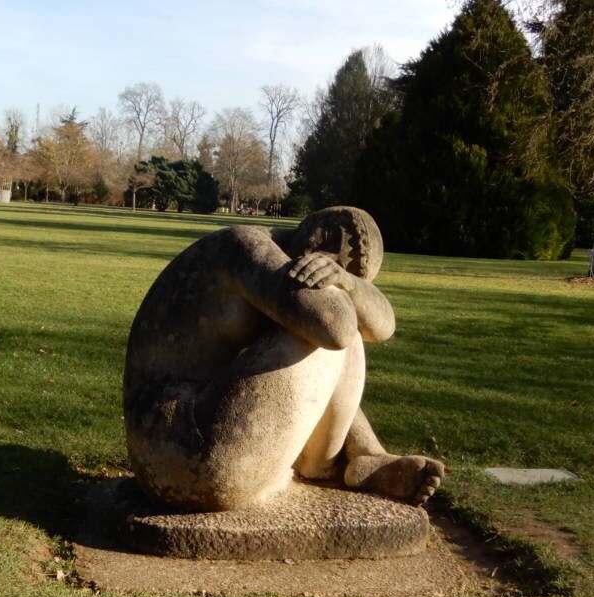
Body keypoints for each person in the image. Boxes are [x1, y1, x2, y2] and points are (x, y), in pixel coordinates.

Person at [123, 205, 444, 512]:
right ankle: (323, 463)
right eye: (332, 252)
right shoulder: (242, 246)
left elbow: (383, 326)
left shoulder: (275, 259)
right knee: (331, 327)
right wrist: (340, 288)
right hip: (182, 451)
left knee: (343, 321)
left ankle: (365, 455)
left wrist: (347, 282)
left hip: (188, 446)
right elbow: (335, 326)